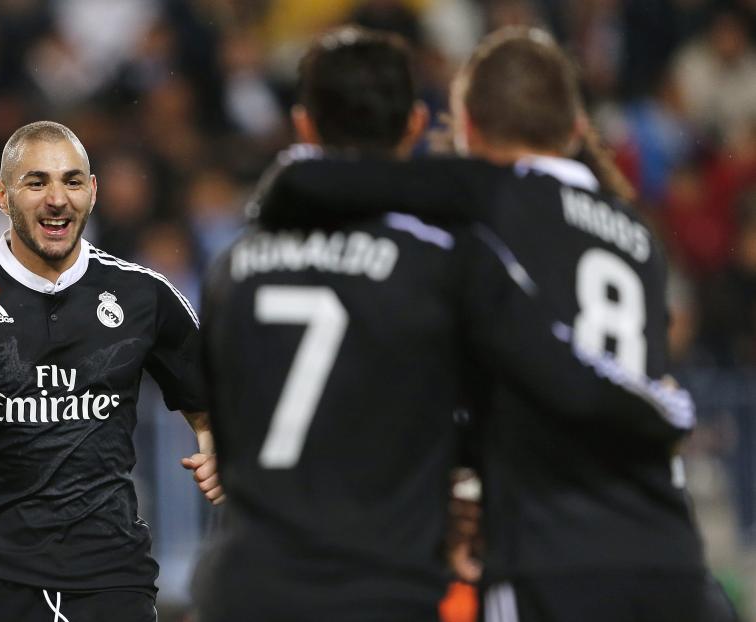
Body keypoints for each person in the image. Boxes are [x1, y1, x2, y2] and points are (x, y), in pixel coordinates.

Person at [191, 27, 694, 622]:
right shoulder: (624, 238)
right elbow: (553, 373)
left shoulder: (233, 268)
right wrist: (661, 409)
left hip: (256, 582)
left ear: (303, 126)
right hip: (638, 541)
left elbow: (239, 426)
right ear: (415, 126)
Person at [0, 121, 223, 622]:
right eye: (36, 182)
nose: (57, 199)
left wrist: (215, 444)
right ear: (2, 195)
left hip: (112, 578)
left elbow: (209, 399)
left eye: (72, 181)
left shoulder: (144, 294)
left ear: (93, 191)